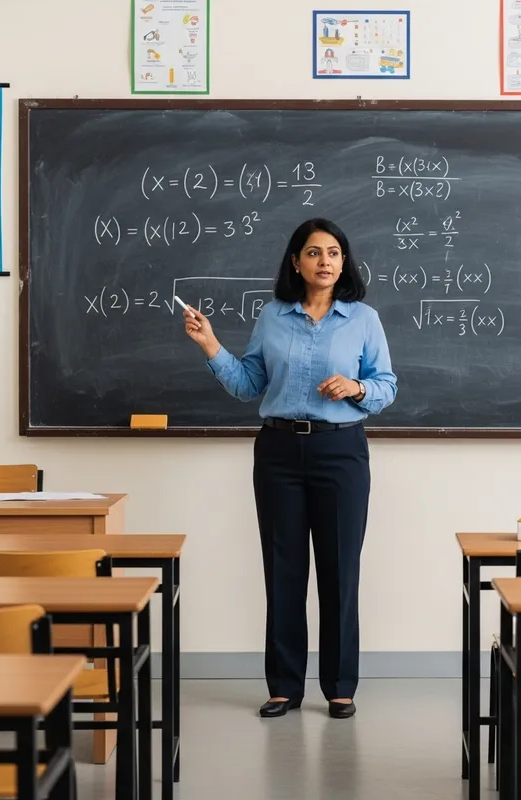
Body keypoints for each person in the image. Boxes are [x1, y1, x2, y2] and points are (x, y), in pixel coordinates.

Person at [183, 217, 397, 719]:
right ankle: (283, 686)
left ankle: (341, 687)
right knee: (283, 571)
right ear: (296, 262)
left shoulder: (363, 319)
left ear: (344, 262)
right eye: (314, 253)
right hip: (278, 452)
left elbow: (387, 384)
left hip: (340, 452)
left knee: (340, 571)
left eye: (335, 253)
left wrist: (357, 388)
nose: (326, 261)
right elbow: (247, 384)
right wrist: (211, 345)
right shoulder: (273, 316)